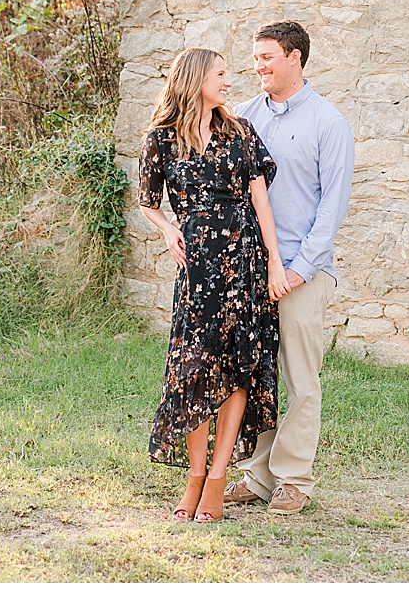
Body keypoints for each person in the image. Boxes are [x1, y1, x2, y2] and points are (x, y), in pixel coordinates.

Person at [139, 47, 288, 523]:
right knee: (194, 372)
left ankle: (219, 480)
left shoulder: (240, 131)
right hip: (197, 269)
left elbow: (261, 203)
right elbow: (147, 200)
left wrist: (275, 265)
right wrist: (166, 229)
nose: (229, 81)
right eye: (221, 74)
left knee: (238, 370)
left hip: (243, 261)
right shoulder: (161, 138)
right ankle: (195, 477)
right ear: (196, 78)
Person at [221, 21, 354, 516]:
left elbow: (332, 208)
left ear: (295, 58)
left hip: (303, 272)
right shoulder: (243, 117)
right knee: (257, 376)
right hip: (251, 271)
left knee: (301, 379)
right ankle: (256, 477)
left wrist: (296, 271)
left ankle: (294, 479)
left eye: (268, 58)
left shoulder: (328, 122)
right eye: (255, 58)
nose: (258, 67)